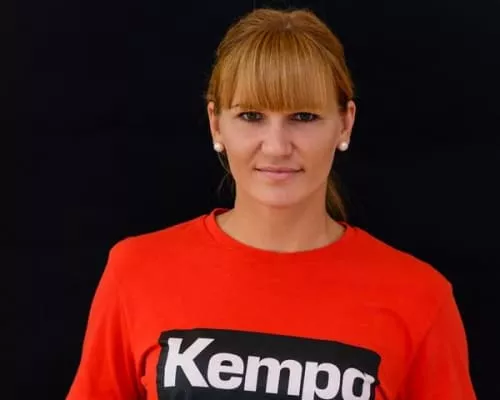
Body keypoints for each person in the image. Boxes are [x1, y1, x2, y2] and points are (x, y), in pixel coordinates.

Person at [67, 7, 477, 400]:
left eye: (303, 117)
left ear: (345, 123)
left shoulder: (420, 297)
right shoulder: (136, 272)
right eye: (251, 116)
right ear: (216, 123)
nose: (277, 147)